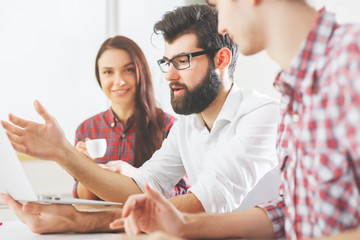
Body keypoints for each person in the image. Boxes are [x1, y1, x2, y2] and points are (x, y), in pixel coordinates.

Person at [0, 4, 279, 233]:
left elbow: (206, 202)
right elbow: (136, 187)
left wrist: (81, 220)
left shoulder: (262, 115)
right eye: (167, 63)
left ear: (221, 59)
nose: (169, 75)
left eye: (182, 61)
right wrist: (62, 153)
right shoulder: (187, 127)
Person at [105, 0, 360, 239]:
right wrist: (184, 225)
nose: (222, 25)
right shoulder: (293, 95)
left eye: (219, 4)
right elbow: (290, 211)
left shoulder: (352, 63)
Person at [73, 35, 188, 200]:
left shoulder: (169, 127)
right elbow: (84, 201)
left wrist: (135, 175)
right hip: (103, 225)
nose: (118, 81)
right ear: (99, 77)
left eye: (128, 70)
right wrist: (86, 168)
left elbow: (183, 196)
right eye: (108, 72)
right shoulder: (87, 129)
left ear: (141, 72)